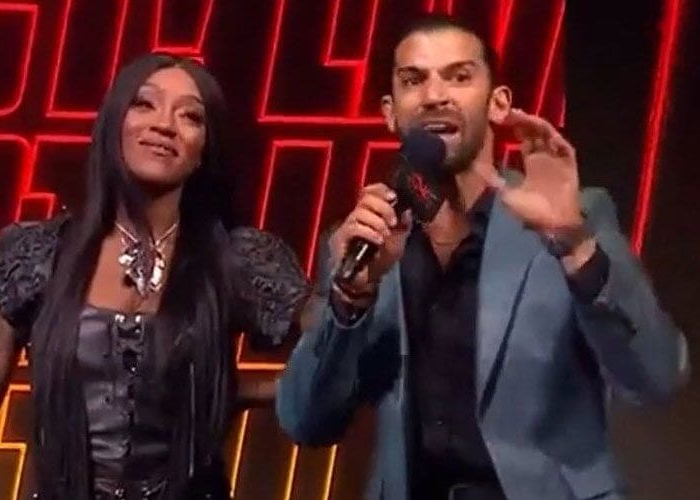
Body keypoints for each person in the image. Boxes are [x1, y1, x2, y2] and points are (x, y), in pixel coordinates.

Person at [276, 14, 689, 500]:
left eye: (459, 76)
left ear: (499, 103)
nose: (435, 95)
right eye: (413, 80)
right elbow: (305, 420)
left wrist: (576, 247)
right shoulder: (365, 241)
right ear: (389, 112)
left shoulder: (572, 218)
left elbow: (658, 376)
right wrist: (351, 300)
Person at [0, 53, 309, 500]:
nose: (164, 125)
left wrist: (232, 392)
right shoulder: (39, 255)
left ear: (203, 151)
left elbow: (337, 349)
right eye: (144, 104)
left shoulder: (237, 258)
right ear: (114, 125)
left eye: (190, 116)